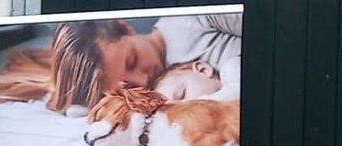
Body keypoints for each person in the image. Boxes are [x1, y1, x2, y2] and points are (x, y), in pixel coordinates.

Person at [46, 13, 242, 113]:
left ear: (126, 28)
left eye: (132, 61)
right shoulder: (151, 102)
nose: (143, 79)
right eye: (129, 87)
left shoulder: (192, 19)